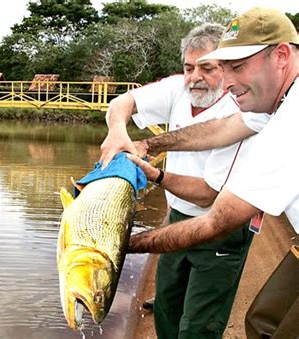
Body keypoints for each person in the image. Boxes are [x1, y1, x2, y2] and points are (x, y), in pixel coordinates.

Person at [123, 8, 298, 337]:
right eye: (225, 67)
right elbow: (217, 129)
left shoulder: (289, 125)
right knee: (262, 320)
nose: (229, 81)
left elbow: (215, 219)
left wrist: (121, 245)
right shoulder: (276, 101)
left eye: (239, 67)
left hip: (219, 230)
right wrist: (149, 144)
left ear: (282, 55)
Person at [101, 23, 259, 338]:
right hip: (177, 216)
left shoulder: (244, 109)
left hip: (221, 229)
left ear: (227, 70)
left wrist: (156, 175)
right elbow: (122, 103)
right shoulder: (179, 87)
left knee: (198, 327)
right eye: (188, 67)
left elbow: (205, 194)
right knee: (167, 312)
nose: (194, 77)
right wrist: (117, 129)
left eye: (207, 68)